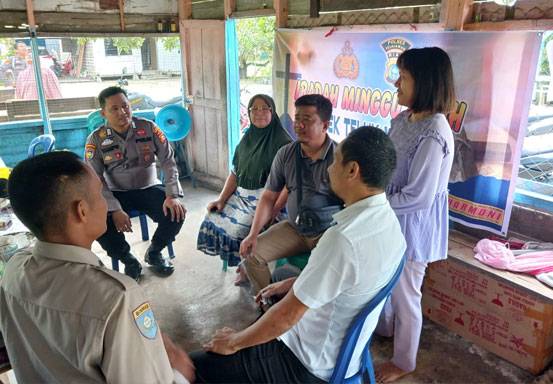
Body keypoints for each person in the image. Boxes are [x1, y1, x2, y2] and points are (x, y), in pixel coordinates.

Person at [163, 126, 406, 383]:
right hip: (343, 353)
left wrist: (234, 342)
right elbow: (351, 280)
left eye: (335, 161)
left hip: (305, 363)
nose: (329, 168)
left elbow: (287, 316)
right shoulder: (387, 222)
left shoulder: (344, 239)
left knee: (193, 366)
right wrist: (296, 283)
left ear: (352, 170)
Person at [0, 151, 194, 383]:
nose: (106, 202)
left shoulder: (13, 270)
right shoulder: (115, 297)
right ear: (81, 211)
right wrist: (179, 372)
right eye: (100, 194)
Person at [374, 47, 456, 383]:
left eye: (403, 77)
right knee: (388, 282)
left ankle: (404, 362)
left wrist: (373, 201)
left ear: (424, 82)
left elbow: (419, 197)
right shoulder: (404, 120)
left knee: (407, 294)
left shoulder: (434, 131)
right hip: (393, 218)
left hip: (413, 225)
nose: (396, 83)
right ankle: (387, 329)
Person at [240, 94, 343, 295]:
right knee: (251, 255)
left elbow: (351, 206)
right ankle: (269, 306)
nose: (299, 125)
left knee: (326, 275)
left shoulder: (340, 158)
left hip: (328, 233)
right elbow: (269, 196)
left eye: (307, 120)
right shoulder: (286, 153)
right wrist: (253, 234)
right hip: (295, 228)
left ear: (325, 125)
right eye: (297, 119)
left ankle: (300, 317)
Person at [85, 86, 186, 280]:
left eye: (125, 106)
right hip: (115, 193)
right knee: (97, 224)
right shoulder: (96, 140)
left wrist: (172, 195)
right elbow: (95, 180)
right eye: (114, 109)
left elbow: (168, 161)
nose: (122, 112)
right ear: (103, 113)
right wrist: (114, 209)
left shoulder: (148, 128)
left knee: (176, 213)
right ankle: (128, 259)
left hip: (147, 187)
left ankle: (155, 252)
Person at [196, 94, 291, 282]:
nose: (259, 113)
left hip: (267, 199)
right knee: (212, 217)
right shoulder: (247, 138)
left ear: (272, 112)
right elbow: (234, 173)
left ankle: (247, 267)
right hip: (241, 196)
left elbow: (289, 185)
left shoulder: (284, 143)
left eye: (265, 108)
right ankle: (243, 263)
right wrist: (222, 199)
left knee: (240, 228)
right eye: (254, 109)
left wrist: (274, 210)